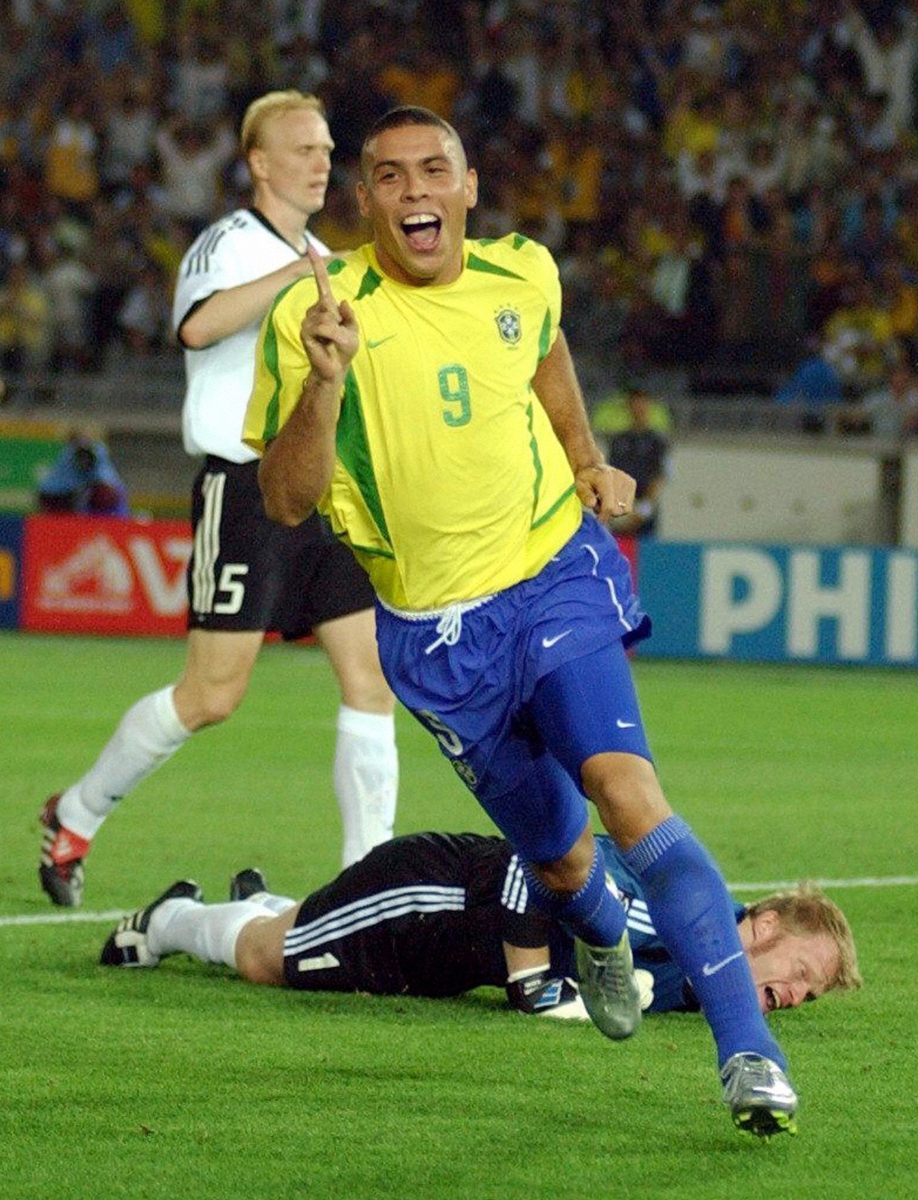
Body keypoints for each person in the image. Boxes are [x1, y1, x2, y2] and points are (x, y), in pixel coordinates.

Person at [242, 106, 797, 1137]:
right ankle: (594, 934)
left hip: (553, 572)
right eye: (391, 177)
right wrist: (323, 383)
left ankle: (749, 1055)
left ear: (467, 189)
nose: (415, 192)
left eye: (434, 171)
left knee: (626, 792)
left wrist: (584, 457)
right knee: (559, 855)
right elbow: (284, 499)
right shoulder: (315, 316)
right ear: (364, 202)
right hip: (434, 634)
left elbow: (547, 358)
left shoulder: (522, 274)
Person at [39, 91, 399, 909]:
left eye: (326, 146)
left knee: (369, 676)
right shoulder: (232, 243)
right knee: (212, 695)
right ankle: (77, 811)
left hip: (322, 489)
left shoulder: (321, 254)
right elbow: (198, 328)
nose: (321, 161)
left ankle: (365, 887)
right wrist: (304, 274)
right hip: (244, 490)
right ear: (259, 163)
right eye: (303, 148)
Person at [99, 831, 862, 1030]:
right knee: (272, 960)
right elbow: (535, 864)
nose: (797, 996)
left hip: (455, 948)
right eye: (801, 970)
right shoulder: (662, 910)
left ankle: (264, 899)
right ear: (760, 923)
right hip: (437, 897)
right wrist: (533, 984)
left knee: (298, 932)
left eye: (810, 994)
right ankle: (167, 920)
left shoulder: (700, 980)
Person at [606, 388, 670, 537]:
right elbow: (611, 474)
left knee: (646, 553)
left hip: (644, 510)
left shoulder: (658, 441)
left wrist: (644, 509)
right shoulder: (619, 440)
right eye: (634, 403)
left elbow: (660, 476)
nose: (638, 408)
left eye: (642, 403)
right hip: (622, 508)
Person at [37, 433, 131, 516]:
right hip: (60, 496)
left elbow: (108, 491)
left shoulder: (99, 454)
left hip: (104, 507)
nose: (83, 462)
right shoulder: (68, 457)